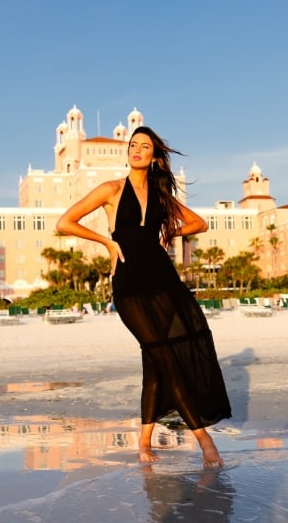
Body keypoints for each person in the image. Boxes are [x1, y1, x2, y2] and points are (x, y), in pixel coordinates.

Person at [56, 125, 232, 468]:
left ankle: (144, 442)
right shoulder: (111, 189)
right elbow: (66, 222)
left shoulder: (161, 194)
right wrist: (107, 242)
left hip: (164, 282)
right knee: (164, 356)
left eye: (144, 146)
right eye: (133, 145)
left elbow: (199, 224)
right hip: (129, 286)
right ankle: (205, 441)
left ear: (154, 156)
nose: (136, 150)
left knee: (155, 365)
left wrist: (168, 232)